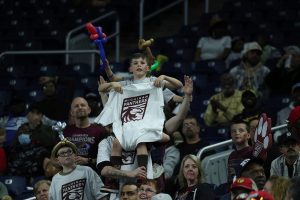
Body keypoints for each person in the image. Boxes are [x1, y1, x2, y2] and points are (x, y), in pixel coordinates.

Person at [97, 76, 193, 195]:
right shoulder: (110, 140)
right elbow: (110, 111)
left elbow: (179, 118)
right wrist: (103, 94)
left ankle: (142, 175)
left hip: (147, 188)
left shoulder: (150, 130)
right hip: (120, 191)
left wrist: (187, 97)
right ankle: (113, 182)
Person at [96, 52, 182, 179]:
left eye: (142, 63)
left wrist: (164, 77)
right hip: (128, 125)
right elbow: (102, 88)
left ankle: (143, 173)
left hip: (146, 125)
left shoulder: (153, 81)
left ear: (148, 68)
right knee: (116, 143)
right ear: (130, 69)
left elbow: (179, 85)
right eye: (135, 63)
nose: (139, 65)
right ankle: (115, 176)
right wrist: (112, 83)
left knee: (142, 143)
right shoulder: (126, 83)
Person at [64, 97, 108, 169]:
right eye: (76, 106)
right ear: (71, 112)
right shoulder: (65, 132)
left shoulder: (100, 131)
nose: (80, 107)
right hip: (71, 173)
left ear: (89, 110)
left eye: (83, 105)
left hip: (94, 173)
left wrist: (88, 160)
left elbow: (107, 159)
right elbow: (55, 159)